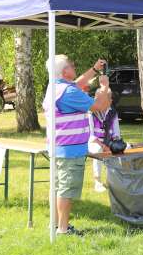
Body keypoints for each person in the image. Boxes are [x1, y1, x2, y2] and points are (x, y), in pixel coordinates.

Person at [42, 55, 111, 236]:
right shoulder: (69, 93)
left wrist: (94, 70)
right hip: (70, 151)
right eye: (72, 65)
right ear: (65, 72)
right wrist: (104, 86)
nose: (75, 67)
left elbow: (79, 83)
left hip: (58, 147)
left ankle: (56, 225)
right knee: (66, 190)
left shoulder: (55, 87)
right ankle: (63, 229)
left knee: (58, 187)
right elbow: (100, 105)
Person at [87, 92, 121, 193]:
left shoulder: (113, 113)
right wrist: (103, 146)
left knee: (124, 147)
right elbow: (91, 135)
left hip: (108, 142)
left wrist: (114, 144)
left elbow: (116, 133)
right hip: (94, 143)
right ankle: (98, 182)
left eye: (109, 99)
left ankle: (114, 180)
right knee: (98, 150)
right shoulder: (91, 113)